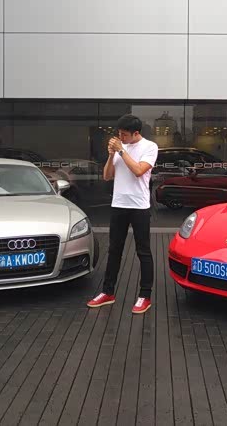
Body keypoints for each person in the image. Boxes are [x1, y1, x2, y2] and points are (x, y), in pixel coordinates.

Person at [87, 114, 158, 314]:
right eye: (119, 134)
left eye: (124, 134)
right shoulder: (120, 148)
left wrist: (121, 150)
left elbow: (139, 170)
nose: (121, 137)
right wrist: (111, 155)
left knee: (143, 251)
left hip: (139, 206)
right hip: (119, 204)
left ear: (136, 133)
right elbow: (107, 176)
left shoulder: (150, 147)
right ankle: (107, 292)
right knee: (114, 250)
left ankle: (145, 296)